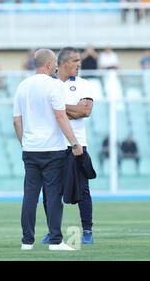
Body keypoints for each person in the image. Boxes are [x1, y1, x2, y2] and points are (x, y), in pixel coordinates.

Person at [13, 49, 83, 251]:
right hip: (53, 150)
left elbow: (17, 121)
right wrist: (75, 143)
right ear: (49, 64)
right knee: (53, 196)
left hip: (31, 149)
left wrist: (24, 143)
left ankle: (27, 242)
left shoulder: (22, 86)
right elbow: (61, 117)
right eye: (54, 64)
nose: (55, 67)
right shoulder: (55, 85)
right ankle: (55, 241)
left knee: (30, 196)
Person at [40, 47, 95, 245]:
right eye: (75, 61)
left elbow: (85, 111)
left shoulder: (84, 84)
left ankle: (87, 231)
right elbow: (72, 111)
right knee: (49, 192)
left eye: (79, 60)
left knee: (83, 189)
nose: (79, 64)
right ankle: (53, 232)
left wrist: (58, 108)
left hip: (77, 144)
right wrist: (70, 110)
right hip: (53, 146)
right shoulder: (48, 84)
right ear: (63, 63)